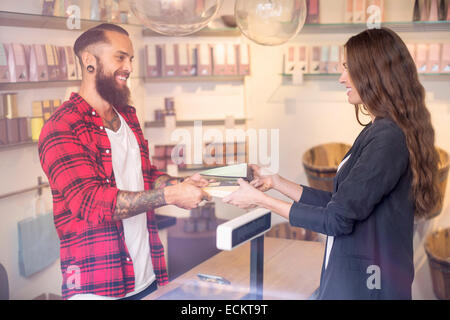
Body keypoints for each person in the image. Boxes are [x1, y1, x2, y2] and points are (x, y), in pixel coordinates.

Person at [222, 28, 441, 300]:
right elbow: (342, 202)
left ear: (372, 72)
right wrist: (277, 183)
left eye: (348, 69)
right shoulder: (379, 130)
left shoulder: (388, 138)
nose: (341, 78)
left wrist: (261, 201)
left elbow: (336, 220)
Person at [38, 23, 211, 300]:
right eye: (120, 57)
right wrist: (169, 195)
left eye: (130, 59)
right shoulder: (62, 126)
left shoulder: (127, 116)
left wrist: (180, 184)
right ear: (89, 61)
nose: (129, 67)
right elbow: (90, 201)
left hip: (148, 275)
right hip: (96, 286)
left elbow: (145, 174)